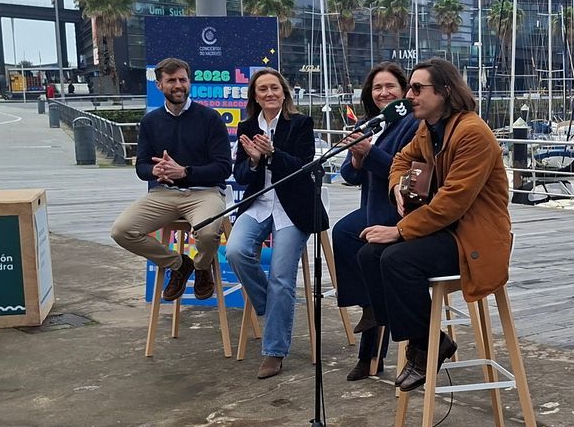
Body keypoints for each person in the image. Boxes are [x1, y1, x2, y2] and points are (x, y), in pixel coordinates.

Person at [356, 58, 512, 392]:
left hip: (473, 240)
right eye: (409, 87)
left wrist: (398, 230)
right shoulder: (429, 129)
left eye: (417, 88)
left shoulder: (472, 133)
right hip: (446, 232)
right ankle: (425, 340)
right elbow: (401, 159)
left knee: (396, 259)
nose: (409, 95)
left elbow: (452, 202)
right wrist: (397, 185)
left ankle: (425, 346)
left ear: (443, 91)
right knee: (369, 254)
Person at [227, 68, 325, 380]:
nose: (269, 93)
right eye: (262, 90)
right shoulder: (246, 126)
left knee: (282, 275)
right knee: (235, 251)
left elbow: (304, 167)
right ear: (254, 96)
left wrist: (273, 153)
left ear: (284, 92)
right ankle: (270, 309)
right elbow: (241, 177)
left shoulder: (300, 123)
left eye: (274, 88)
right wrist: (254, 161)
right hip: (258, 204)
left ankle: (273, 351)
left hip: (292, 208)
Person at [109, 57, 232, 305]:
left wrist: (184, 172)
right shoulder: (150, 122)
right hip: (163, 193)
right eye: (171, 80)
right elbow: (141, 166)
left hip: (204, 193)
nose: (178, 85)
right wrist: (157, 172)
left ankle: (201, 267)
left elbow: (223, 168)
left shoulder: (210, 118)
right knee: (121, 231)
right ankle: (178, 264)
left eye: (182, 80)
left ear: (189, 82)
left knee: (208, 234)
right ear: (159, 85)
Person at [331, 62, 419, 381]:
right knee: (342, 233)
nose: (383, 93)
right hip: (371, 207)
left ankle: (370, 353)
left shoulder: (410, 124)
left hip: (397, 211)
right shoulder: (372, 123)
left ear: (404, 89)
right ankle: (369, 309)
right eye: (377, 88)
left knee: (369, 247)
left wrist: (369, 153)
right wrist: (357, 156)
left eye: (390, 86)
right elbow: (348, 175)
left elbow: (403, 171)